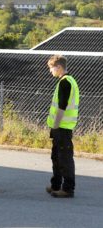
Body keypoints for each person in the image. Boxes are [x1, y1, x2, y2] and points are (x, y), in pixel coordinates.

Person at [46, 55, 79, 198]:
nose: (50, 71)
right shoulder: (65, 81)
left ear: (59, 67)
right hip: (61, 127)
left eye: (51, 68)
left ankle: (67, 189)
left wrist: (56, 126)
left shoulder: (66, 82)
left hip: (62, 127)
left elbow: (62, 107)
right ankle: (56, 185)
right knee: (56, 157)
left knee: (64, 158)